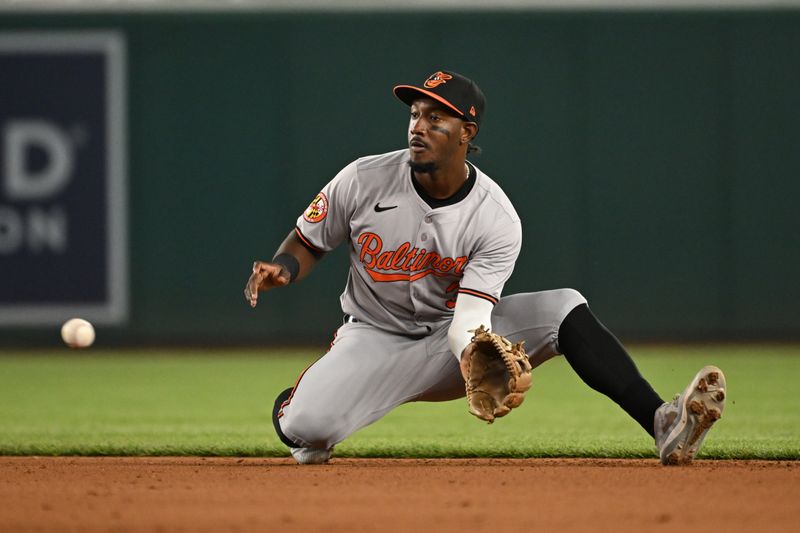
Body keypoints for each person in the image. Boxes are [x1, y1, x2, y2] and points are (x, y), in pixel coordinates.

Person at [244, 70, 726, 465]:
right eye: (415, 114)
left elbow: (470, 321)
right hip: (372, 337)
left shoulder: (495, 217)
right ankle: (302, 398)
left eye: (437, 117)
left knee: (563, 308)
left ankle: (661, 422)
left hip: (448, 343)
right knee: (306, 429)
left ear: (466, 133)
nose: (418, 126)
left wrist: (477, 352)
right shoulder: (363, 178)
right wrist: (285, 266)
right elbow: (308, 241)